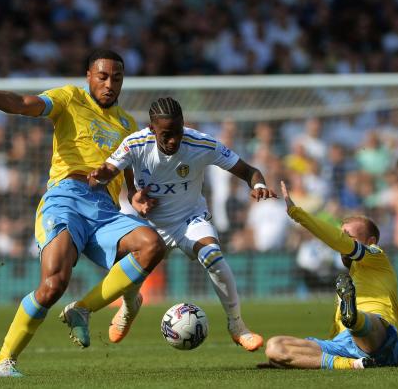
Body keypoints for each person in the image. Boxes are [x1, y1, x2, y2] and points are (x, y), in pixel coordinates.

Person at [0, 49, 166, 378]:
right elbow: (23, 105)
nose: (110, 84)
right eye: (103, 76)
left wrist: (137, 197)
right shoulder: (69, 98)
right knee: (54, 284)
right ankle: (4, 361)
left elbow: (130, 176)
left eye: (117, 78)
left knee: (152, 244)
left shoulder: (127, 123)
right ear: (89, 77)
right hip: (66, 197)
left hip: (105, 211)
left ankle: (83, 309)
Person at [88, 97, 277, 351]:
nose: (173, 140)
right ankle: (130, 305)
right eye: (166, 134)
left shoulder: (201, 143)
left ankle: (237, 326)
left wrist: (259, 185)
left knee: (213, 256)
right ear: (152, 128)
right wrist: (106, 180)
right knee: (126, 266)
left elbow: (249, 170)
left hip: (190, 219)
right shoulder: (135, 143)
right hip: (150, 225)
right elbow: (110, 170)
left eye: (177, 132)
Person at [263, 181, 398, 369]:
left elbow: (338, 241)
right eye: (341, 234)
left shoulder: (377, 258)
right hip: (342, 344)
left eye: (348, 236)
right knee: (274, 347)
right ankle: (354, 364)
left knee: (367, 321)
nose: (342, 241)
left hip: (379, 333)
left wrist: (297, 213)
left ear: (370, 241)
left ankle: (355, 320)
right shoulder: (348, 281)